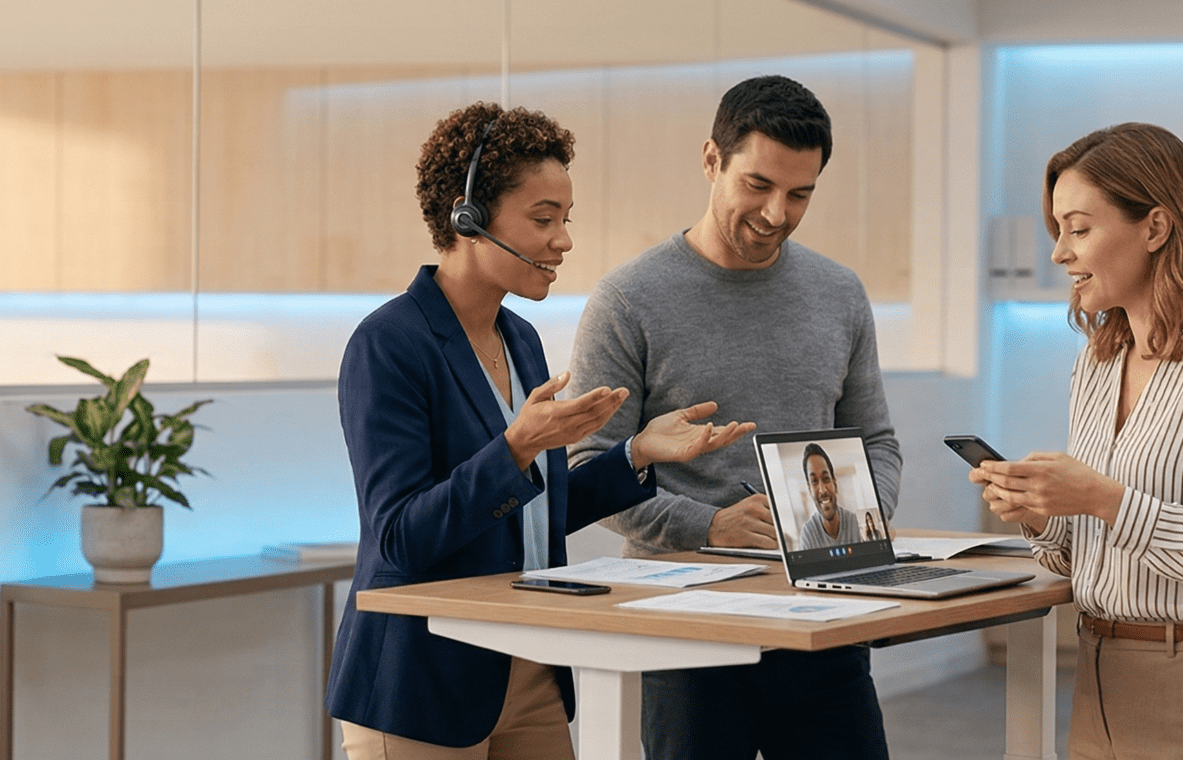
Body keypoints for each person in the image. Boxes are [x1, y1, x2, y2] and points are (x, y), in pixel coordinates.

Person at [331, 102, 751, 760]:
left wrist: (636, 454)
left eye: (565, 218)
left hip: (527, 663)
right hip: (424, 677)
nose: (563, 240)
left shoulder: (520, 340)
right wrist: (517, 446)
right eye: (542, 218)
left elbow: (533, 512)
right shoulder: (388, 344)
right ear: (467, 218)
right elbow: (398, 540)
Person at [566, 75, 901, 760]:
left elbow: (876, 440)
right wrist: (706, 525)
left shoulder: (838, 293)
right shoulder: (628, 300)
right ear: (711, 160)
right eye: (757, 185)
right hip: (688, 631)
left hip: (822, 619)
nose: (777, 212)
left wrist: (857, 522)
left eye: (799, 193)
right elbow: (588, 467)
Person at [972, 122, 1183, 759]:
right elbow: (1081, 558)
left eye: (1079, 228)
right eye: (1057, 231)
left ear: (1155, 227)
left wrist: (1106, 500)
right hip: (1096, 668)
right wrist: (1044, 519)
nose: (1059, 253)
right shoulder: (1098, 361)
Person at [793, 443, 857, 550]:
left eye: (826, 478)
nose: (822, 490)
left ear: (835, 484)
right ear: (809, 490)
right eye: (814, 481)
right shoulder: (808, 533)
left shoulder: (854, 522)